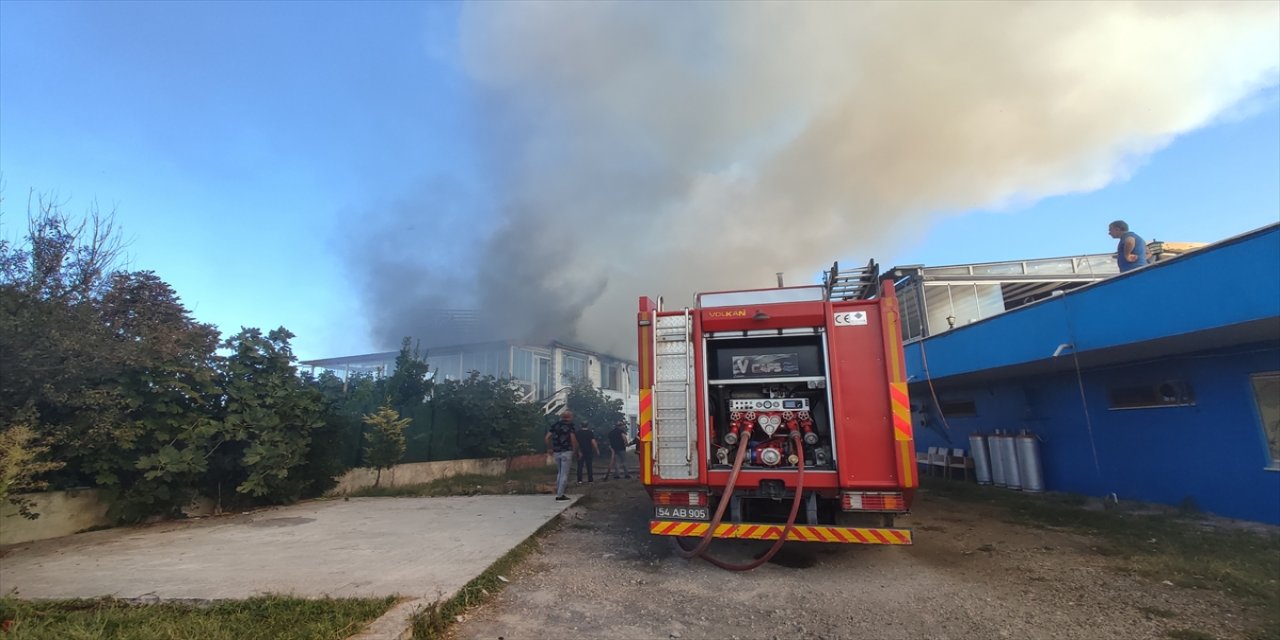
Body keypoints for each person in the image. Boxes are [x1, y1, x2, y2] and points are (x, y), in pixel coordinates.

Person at [545, 410, 578, 501]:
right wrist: (575, 450)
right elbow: (573, 439)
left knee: (560, 472)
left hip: (556, 452)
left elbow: (547, 437)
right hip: (566, 451)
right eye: (572, 416)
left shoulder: (555, 425)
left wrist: (549, 448)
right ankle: (560, 495)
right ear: (569, 417)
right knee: (564, 473)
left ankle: (559, 492)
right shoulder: (570, 426)